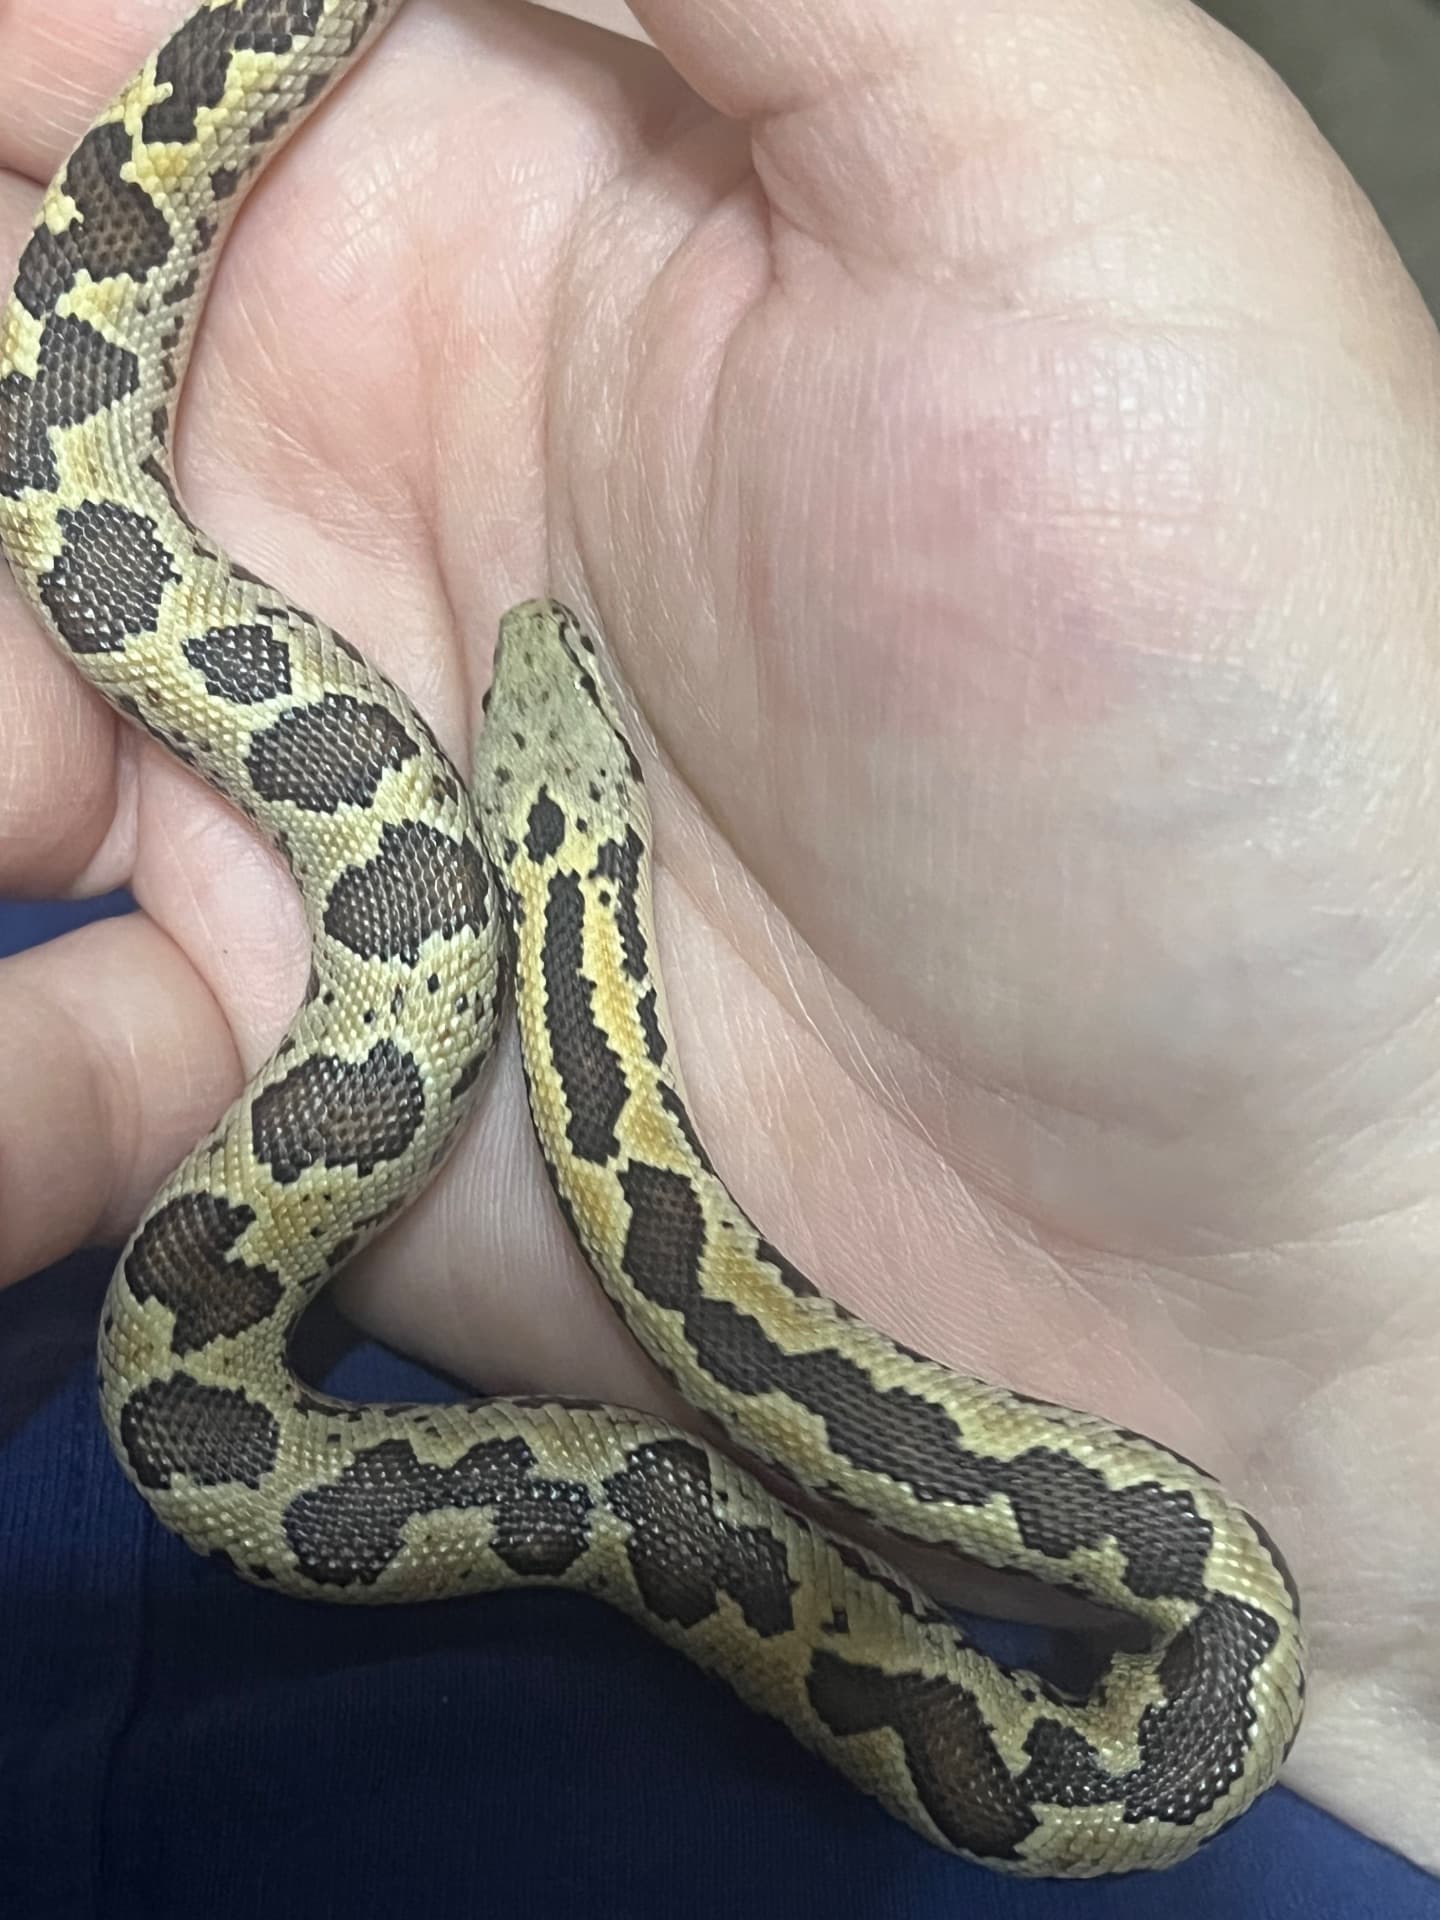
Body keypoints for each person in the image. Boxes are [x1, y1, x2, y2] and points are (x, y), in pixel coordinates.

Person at [1, 0, 1436, 1909]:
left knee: (620, 1483)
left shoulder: (495, 907)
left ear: (550, 843)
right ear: (562, 842)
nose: (540, 664)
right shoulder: (490, 908)